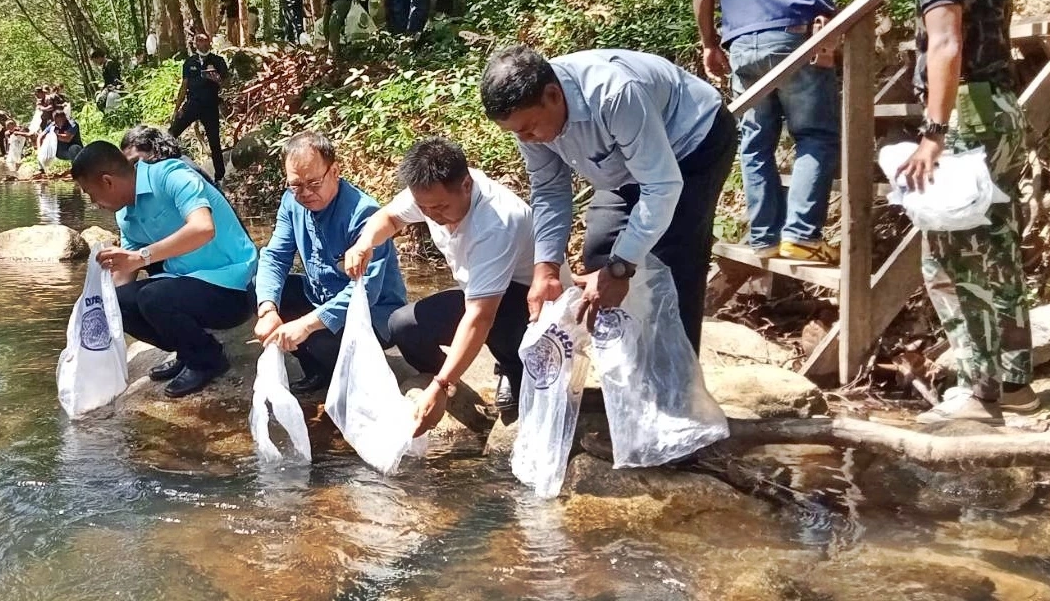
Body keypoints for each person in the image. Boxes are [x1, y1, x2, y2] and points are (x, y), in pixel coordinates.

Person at [693, 0, 1007, 264]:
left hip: (742, 42)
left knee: (755, 141)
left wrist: (710, 42)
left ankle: (765, 235)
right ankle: (802, 235)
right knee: (815, 134)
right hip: (798, 36)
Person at [889, 0, 1034, 424]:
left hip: (967, 111)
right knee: (997, 245)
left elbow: (946, 42)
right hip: (1002, 102)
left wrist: (933, 131)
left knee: (949, 254)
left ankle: (978, 390)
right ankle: (1015, 381)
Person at [480, 46, 736, 352]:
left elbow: (661, 185)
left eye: (529, 129)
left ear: (553, 95)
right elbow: (549, 189)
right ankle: (626, 369)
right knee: (600, 252)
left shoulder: (614, 93)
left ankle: (674, 388)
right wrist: (545, 268)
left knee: (670, 267)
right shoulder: (531, 119)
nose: (525, 140)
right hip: (622, 165)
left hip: (691, 144)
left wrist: (621, 268)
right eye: (515, 133)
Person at [345, 138, 532, 425]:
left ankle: (512, 368)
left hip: (529, 304)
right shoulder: (429, 194)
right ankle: (452, 383)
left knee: (496, 315)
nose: (431, 214)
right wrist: (364, 244)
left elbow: (481, 316)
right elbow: (391, 218)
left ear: (466, 186)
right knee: (404, 326)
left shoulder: (498, 221)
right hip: (478, 291)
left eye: (440, 207)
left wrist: (440, 385)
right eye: (424, 208)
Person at [72, 141, 258, 398]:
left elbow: (203, 228)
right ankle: (189, 350)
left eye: (91, 194)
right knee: (114, 303)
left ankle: (207, 360)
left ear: (108, 181)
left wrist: (141, 256)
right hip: (185, 286)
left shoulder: (172, 175)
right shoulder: (125, 215)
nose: (94, 203)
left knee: (154, 297)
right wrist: (98, 309)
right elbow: (125, 272)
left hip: (233, 288)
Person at [253, 131, 407, 393]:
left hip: (374, 312)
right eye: (296, 185)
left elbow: (365, 292)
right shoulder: (292, 202)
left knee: (319, 339)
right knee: (261, 290)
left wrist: (305, 324)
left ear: (334, 171)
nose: (304, 193)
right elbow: (276, 256)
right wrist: (267, 309)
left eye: (314, 183)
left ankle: (353, 382)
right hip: (320, 296)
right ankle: (319, 371)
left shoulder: (363, 213)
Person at [170, 32, 231, 182]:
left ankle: (220, 177)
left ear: (209, 42)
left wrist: (215, 77)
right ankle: (165, 165)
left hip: (210, 105)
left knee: (214, 141)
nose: (201, 43)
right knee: (171, 133)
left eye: (204, 40)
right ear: (195, 43)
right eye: (198, 41)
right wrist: (177, 109)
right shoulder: (189, 62)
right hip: (192, 104)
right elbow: (184, 86)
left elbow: (226, 83)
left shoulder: (217, 60)